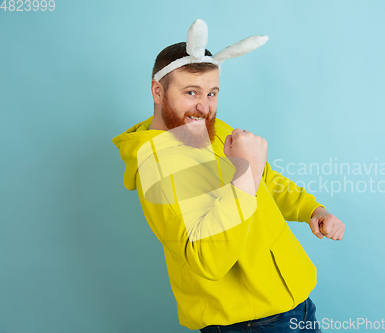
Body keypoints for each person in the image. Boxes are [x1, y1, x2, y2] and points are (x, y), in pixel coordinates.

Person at [112, 19, 345, 332]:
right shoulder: (158, 167)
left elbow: (266, 179)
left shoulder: (211, 129)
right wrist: (245, 176)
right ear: (158, 90)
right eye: (191, 92)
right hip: (249, 324)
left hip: (296, 305)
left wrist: (311, 210)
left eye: (212, 93)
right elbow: (207, 258)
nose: (204, 107)